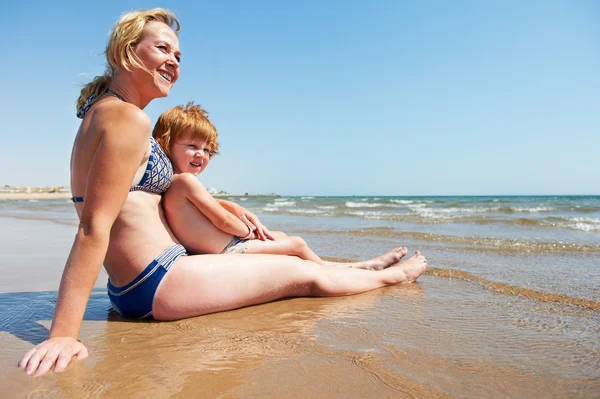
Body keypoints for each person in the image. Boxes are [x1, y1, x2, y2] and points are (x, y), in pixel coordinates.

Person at [18, 8, 428, 377]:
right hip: (156, 281)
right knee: (300, 273)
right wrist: (63, 334)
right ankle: (391, 277)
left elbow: (158, 197)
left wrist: (227, 207)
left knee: (292, 254)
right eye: (163, 48)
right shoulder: (126, 119)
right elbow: (93, 227)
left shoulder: (109, 113)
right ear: (127, 52)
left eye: (178, 55)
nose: (174, 62)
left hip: (144, 280)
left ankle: (360, 269)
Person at [152, 102, 410, 269]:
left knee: (283, 239)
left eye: (207, 150)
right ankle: (351, 270)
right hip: (227, 249)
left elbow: (209, 211)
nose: (201, 155)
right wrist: (247, 232)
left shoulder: (174, 183)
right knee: (296, 243)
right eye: (192, 146)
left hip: (223, 247)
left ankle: (338, 267)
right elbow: (222, 222)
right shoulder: (186, 181)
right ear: (166, 143)